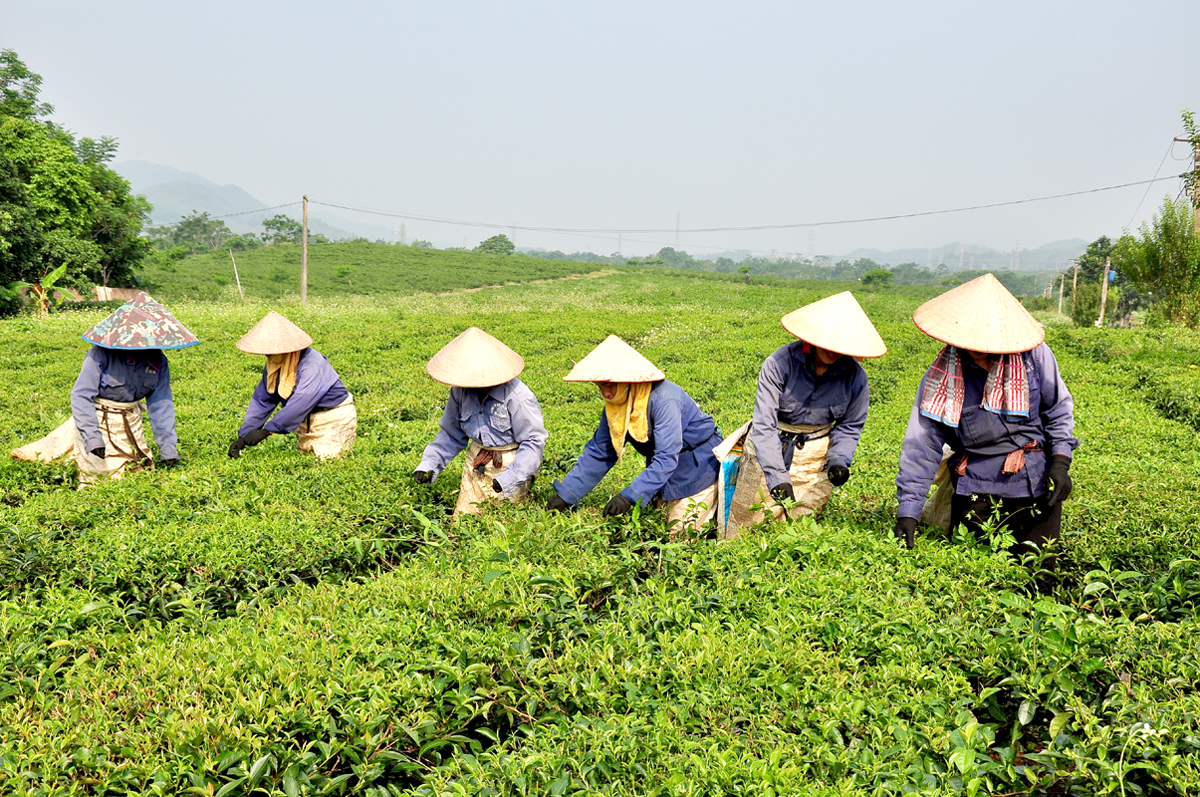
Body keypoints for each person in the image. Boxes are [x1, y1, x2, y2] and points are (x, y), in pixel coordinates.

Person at [894, 273, 1078, 563]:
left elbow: (1057, 409)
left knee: (1039, 571)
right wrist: (909, 510)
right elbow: (922, 443)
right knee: (975, 569)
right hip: (976, 486)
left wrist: (1060, 462)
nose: (982, 350)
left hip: (1035, 481)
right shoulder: (943, 375)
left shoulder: (1035, 357)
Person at [719, 291, 886, 537]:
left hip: (815, 454)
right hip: (769, 447)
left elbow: (850, 425)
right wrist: (776, 476)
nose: (833, 350)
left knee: (800, 531)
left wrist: (839, 459)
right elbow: (764, 424)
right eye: (828, 340)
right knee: (748, 524)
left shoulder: (856, 377)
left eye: (841, 344)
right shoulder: (779, 364)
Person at [12, 291, 199, 486]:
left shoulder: (158, 361)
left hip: (131, 421)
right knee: (99, 479)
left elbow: (161, 404)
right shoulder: (101, 354)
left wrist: (168, 449)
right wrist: (93, 438)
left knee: (138, 476)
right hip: (99, 420)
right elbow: (81, 395)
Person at [547, 335, 723, 535]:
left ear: (627, 379)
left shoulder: (665, 400)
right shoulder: (616, 406)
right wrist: (567, 493)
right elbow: (602, 451)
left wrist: (629, 496)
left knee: (679, 535)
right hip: (667, 473)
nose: (605, 393)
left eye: (609, 384)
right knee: (648, 527)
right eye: (600, 386)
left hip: (699, 469)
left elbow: (666, 459)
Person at [413, 327, 548, 517]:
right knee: (463, 524)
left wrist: (510, 478)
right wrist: (430, 464)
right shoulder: (459, 391)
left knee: (503, 529)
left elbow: (534, 442)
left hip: (510, 464)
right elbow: (451, 434)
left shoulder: (517, 397)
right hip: (476, 461)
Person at [228, 311, 356, 459]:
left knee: (328, 464)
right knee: (308, 466)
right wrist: (243, 436)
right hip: (304, 420)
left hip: (332, 418)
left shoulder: (311, 364)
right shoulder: (275, 363)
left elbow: (300, 402)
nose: (267, 355)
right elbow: (263, 400)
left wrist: (267, 431)